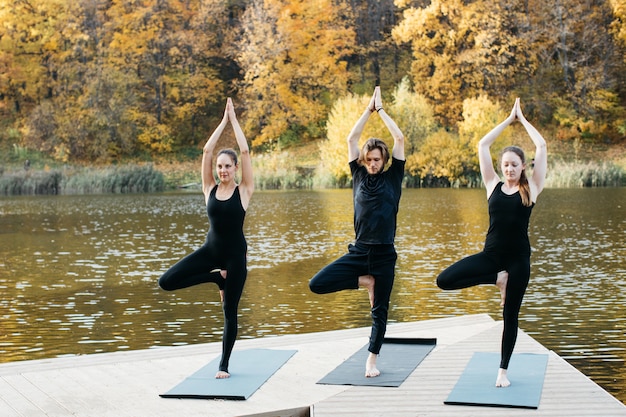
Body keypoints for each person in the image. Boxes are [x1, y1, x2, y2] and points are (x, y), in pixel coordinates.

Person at [436, 98, 547, 387]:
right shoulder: (492, 185)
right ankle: (497, 278)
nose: (509, 169)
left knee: (510, 315)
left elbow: (543, 147)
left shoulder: (531, 188)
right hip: (492, 257)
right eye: (505, 165)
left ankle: (503, 371)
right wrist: (507, 120)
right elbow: (483, 145)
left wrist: (522, 121)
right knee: (444, 280)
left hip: (519, 261)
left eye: (514, 165)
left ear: (523, 166)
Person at [309, 86, 405, 378]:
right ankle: (365, 282)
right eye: (369, 159)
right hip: (360, 251)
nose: (373, 163)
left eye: (377, 159)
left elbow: (399, 138)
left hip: (385, 254)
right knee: (317, 283)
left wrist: (382, 110)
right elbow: (351, 138)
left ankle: (371, 362)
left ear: (384, 159)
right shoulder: (358, 175)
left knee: (380, 312)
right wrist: (368, 110)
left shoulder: (394, 177)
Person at [158, 97, 254, 379]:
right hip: (211, 252)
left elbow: (246, 150)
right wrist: (222, 121)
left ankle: (223, 365)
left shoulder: (244, 191)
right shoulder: (208, 188)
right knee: (167, 281)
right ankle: (215, 278)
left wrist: (234, 121)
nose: (222, 170)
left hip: (235, 257)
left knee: (230, 311)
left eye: (228, 166)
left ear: (235, 168)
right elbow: (206, 150)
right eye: (220, 166)